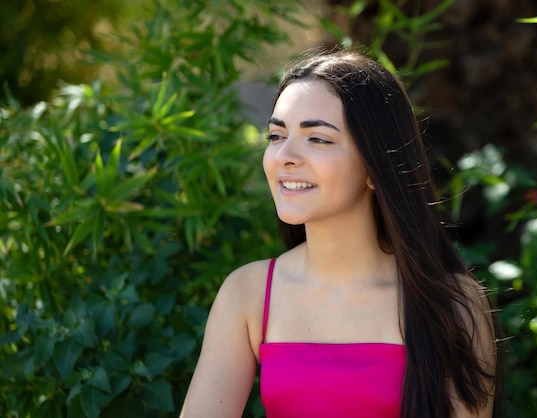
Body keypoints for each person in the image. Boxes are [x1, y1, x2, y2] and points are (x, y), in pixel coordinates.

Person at [180, 49, 505, 418]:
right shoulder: (248, 294)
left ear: (375, 166)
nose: (285, 156)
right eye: (276, 135)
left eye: (317, 139)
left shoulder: (451, 303)